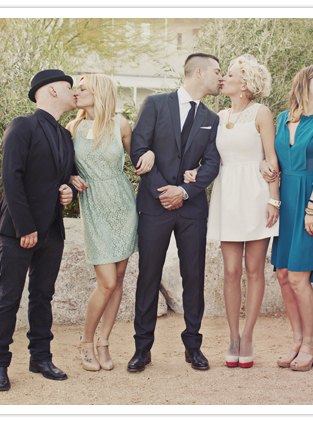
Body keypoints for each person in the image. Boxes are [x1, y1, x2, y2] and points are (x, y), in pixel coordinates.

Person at [128, 53, 222, 372]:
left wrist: (183, 192)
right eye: (217, 71)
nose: (220, 77)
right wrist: (163, 191)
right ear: (199, 72)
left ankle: (193, 346)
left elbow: (212, 163)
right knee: (148, 276)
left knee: (193, 276)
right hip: (154, 206)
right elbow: (138, 149)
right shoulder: (155, 104)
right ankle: (142, 349)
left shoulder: (212, 118)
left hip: (192, 209)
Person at [183, 54, 279, 369]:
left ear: (246, 83)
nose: (223, 78)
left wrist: (274, 200)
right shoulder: (220, 115)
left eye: (231, 74)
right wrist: (196, 172)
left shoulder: (261, 113)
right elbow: (215, 159)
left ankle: (248, 336)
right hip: (227, 196)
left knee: (254, 270)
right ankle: (233, 336)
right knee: (231, 271)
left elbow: (271, 158)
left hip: (256, 194)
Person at [0, 69, 79, 391]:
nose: (74, 92)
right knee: (9, 298)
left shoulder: (65, 135)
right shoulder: (22, 125)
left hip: (52, 230)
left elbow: (66, 177)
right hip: (18, 230)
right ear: (52, 90)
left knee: (43, 296)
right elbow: (10, 178)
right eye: (69, 87)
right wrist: (26, 227)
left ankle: (40, 357)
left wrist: (69, 189)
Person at [66, 74, 155, 371]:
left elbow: (138, 156)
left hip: (123, 205)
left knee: (118, 278)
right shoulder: (72, 128)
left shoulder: (121, 125)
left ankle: (104, 342)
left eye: (83, 88)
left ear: (99, 93)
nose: (77, 92)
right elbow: (60, 166)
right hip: (94, 205)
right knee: (106, 282)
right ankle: (86, 341)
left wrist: (150, 153)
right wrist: (69, 176)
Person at [262, 65, 313, 372]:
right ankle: (296, 341)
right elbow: (272, 159)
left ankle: (311, 343)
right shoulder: (282, 118)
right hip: (286, 202)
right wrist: (264, 167)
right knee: (282, 274)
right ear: (305, 83)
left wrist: (312, 208)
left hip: (311, 201)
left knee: (298, 276)